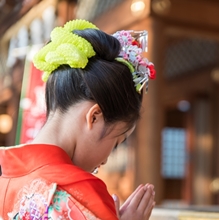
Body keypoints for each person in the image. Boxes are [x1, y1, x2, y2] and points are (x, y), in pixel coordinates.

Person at [0, 19, 156, 219]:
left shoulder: (5, 172)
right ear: (95, 116)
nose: (106, 159)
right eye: (116, 142)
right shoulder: (83, 194)